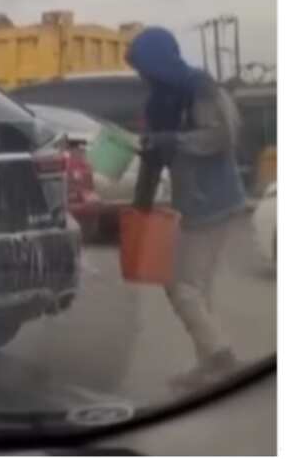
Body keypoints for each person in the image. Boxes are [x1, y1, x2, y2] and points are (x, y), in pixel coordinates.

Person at [126, 27, 247, 390]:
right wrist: (139, 211)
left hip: (217, 199)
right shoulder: (159, 101)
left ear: (160, 60)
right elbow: (154, 157)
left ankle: (221, 357)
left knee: (180, 285)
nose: (142, 75)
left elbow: (221, 136)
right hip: (191, 202)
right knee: (196, 288)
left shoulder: (201, 89)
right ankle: (209, 367)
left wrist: (173, 140)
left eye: (144, 66)